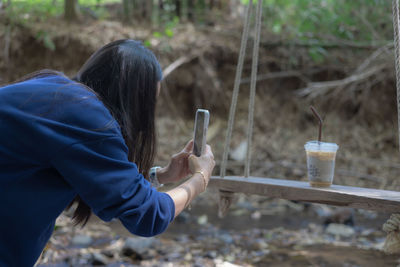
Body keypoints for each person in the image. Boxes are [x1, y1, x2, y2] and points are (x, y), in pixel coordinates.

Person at [0, 39, 215, 267]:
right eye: (149, 103)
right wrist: (199, 179)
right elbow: (148, 215)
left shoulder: (56, 90)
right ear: (132, 98)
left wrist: (158, 176)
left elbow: (99, 185)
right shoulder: (85, 115)